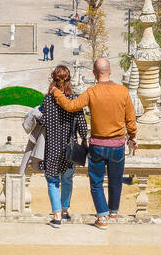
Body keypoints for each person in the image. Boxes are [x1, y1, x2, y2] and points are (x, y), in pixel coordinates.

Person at [50, 58, 137, 228]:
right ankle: (113, 211)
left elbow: (70, 105)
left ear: (94, 74)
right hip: (118, 145)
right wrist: (133, 136)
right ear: (110, 71)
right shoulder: (122, 91)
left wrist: (56, 92)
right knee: (116, 180)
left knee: (96, 182)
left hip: (98, 145)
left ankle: (102, 217)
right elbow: (131, 120)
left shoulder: (91, 92)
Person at [41, 65, 88, 227]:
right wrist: (84, 139)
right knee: (67, 179)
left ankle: (57, 215)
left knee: (52, 180)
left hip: (52, 146)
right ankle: (65, 211)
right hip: (70, 147)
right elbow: (82, 126)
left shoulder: (48, 99)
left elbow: (44, 121)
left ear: (53, 79)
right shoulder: (74, 99)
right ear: (69, 80)